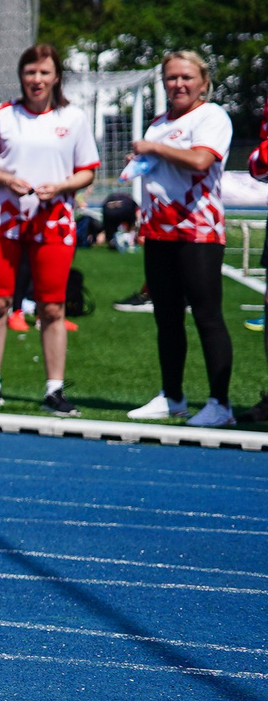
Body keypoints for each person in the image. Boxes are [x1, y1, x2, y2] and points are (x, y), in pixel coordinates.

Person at [0, 43, 98, 416]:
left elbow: (87, 170)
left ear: (56, 76)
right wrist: (7, 179)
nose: (37, 80)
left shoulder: (73, 118)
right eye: (30, 72)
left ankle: (54, 390)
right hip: (2, 220)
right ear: (21, 76)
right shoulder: (2, 116)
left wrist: (60, 187)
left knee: (52, 307)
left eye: (44, 72)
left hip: (54, 222)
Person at [124, 52, 236, 426]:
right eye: (171, 78)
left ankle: (220, 404)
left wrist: (153, 149)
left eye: (187, 77)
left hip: (199, 231)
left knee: (207, 316)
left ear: (204, 81)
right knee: (166, 317)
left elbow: (202, 160)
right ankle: (172, 396)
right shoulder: (159, 123)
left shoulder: (212, 116)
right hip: (159, 231)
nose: (179, 85)